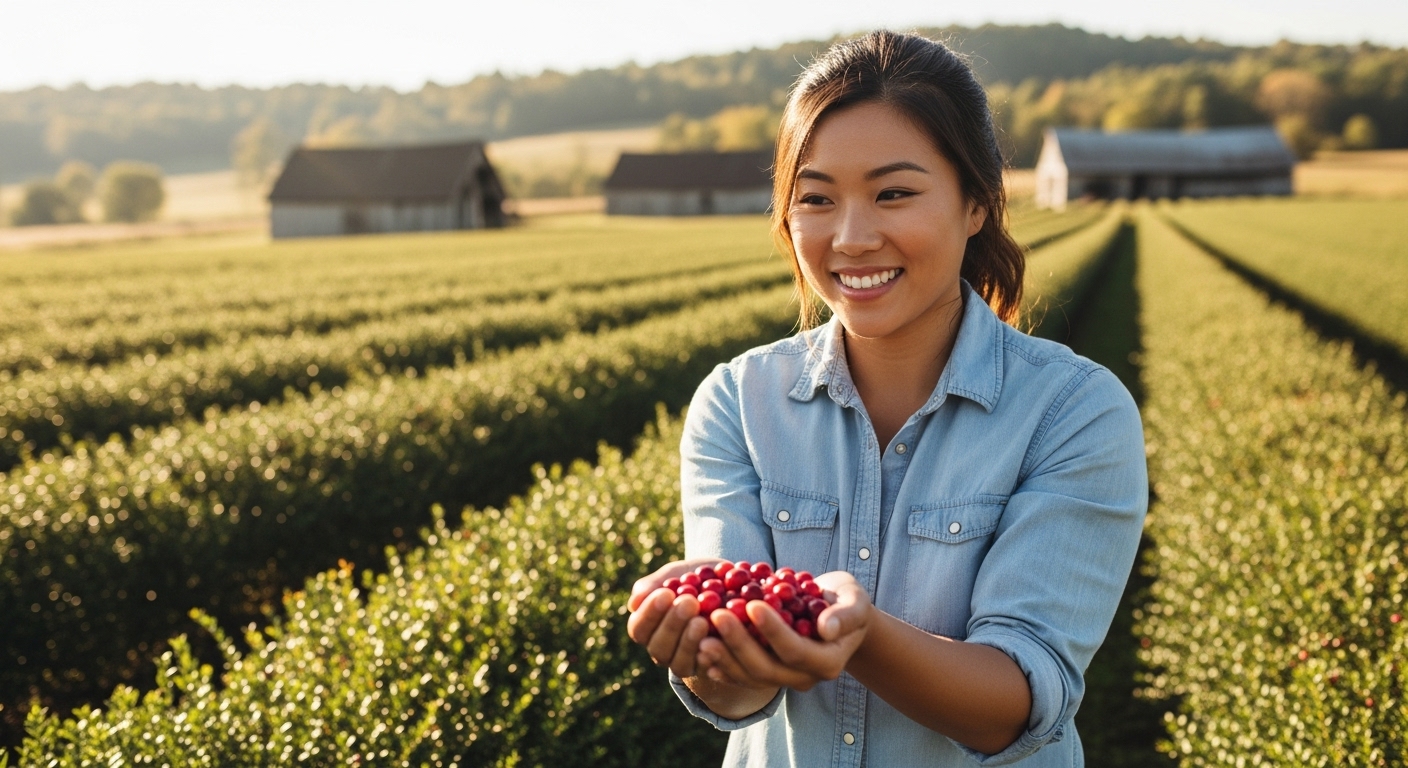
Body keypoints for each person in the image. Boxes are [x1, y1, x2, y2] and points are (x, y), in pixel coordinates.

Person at [626, 30, 1147, 767]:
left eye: (893, 193)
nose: (851, 237)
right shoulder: (738, 402)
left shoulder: (1074, 413)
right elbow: (739, 697)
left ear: (977, 203)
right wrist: (712, 649)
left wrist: (859, 633)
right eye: (816, 198)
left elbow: (1018, 703)